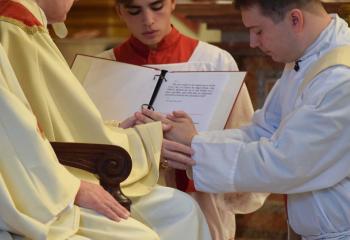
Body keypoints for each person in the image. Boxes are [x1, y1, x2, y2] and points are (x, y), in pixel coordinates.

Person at [138, 0, 350, 239]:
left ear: (295, 20)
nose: (253, 42)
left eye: (258, 30)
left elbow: (285, 162)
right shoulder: (305, 57)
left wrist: (195, 149)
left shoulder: (340, 78)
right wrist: (194, 140)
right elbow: (264, 131)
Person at [0, 0, 211, 239]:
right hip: (47, 185)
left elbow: (50, 125)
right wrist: (72, 188)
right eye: (134, 10)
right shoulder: (12, 26)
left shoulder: (25, 22)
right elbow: (16, 137)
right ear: (120, 11)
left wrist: (119, 133)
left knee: (181, 210)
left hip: (57, 171)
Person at [97, 0, 267, 239]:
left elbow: (241, 137)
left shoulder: (215, 62)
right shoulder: (102, 68)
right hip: (128, 205)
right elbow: (88, 146)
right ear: (119, 11)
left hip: (201, 200)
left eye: (157, 7)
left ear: (172, 3)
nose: (148, 20)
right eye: (134, 11)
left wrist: (197, 142)